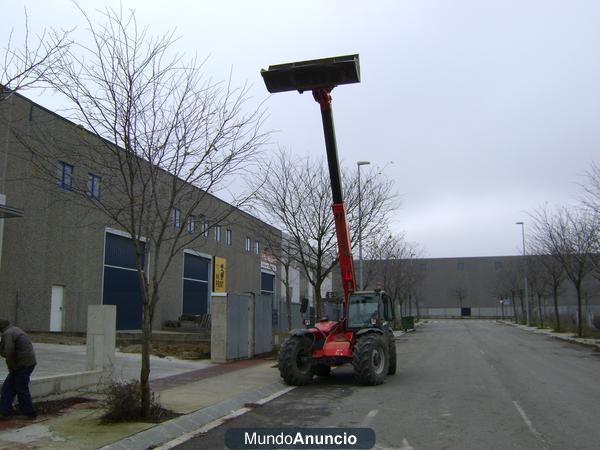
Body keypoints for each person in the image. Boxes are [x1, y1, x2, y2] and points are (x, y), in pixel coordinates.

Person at [0, 319, 37, 419]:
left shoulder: (8, 334)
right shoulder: (14, 329)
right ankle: (4, 412)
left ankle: (29, 413)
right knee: (7, 387)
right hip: (26, 363)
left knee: (21, 388)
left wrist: (11, 368)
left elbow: (9, 352)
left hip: (22, 365)